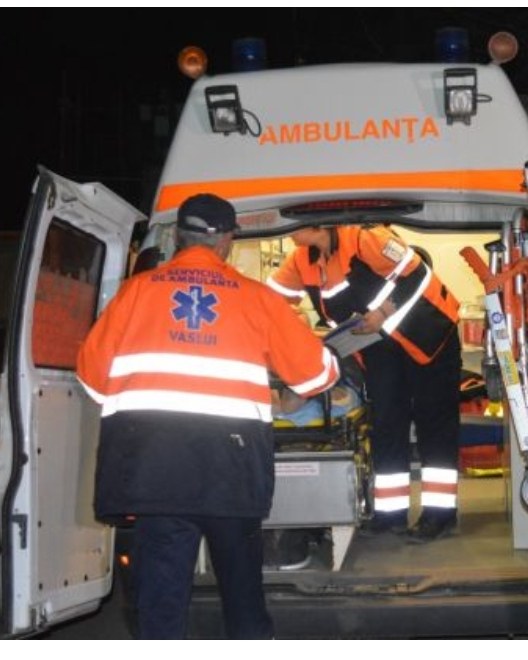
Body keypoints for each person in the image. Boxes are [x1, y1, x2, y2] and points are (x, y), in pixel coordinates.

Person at [76, 194, 340, 639]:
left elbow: (93, 378)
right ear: (227, 241)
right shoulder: (256, 297)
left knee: (160, 607)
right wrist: (331, 359)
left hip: (156, 474)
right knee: (243, 602)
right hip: (231, 474)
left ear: (180, 236)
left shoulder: (136, 292)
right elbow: (316, 375)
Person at [267, 224, 461, 543]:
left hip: (429, 335)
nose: (288, 228)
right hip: (378, 345)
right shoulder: (301, 259)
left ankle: (439, 516)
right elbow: (270, 301)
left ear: (319, 222)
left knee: (434, 424)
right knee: (386, 423)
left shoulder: (366, 239)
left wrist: (383, 312)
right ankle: (390, 515)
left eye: (295, 220)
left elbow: (417, 274)